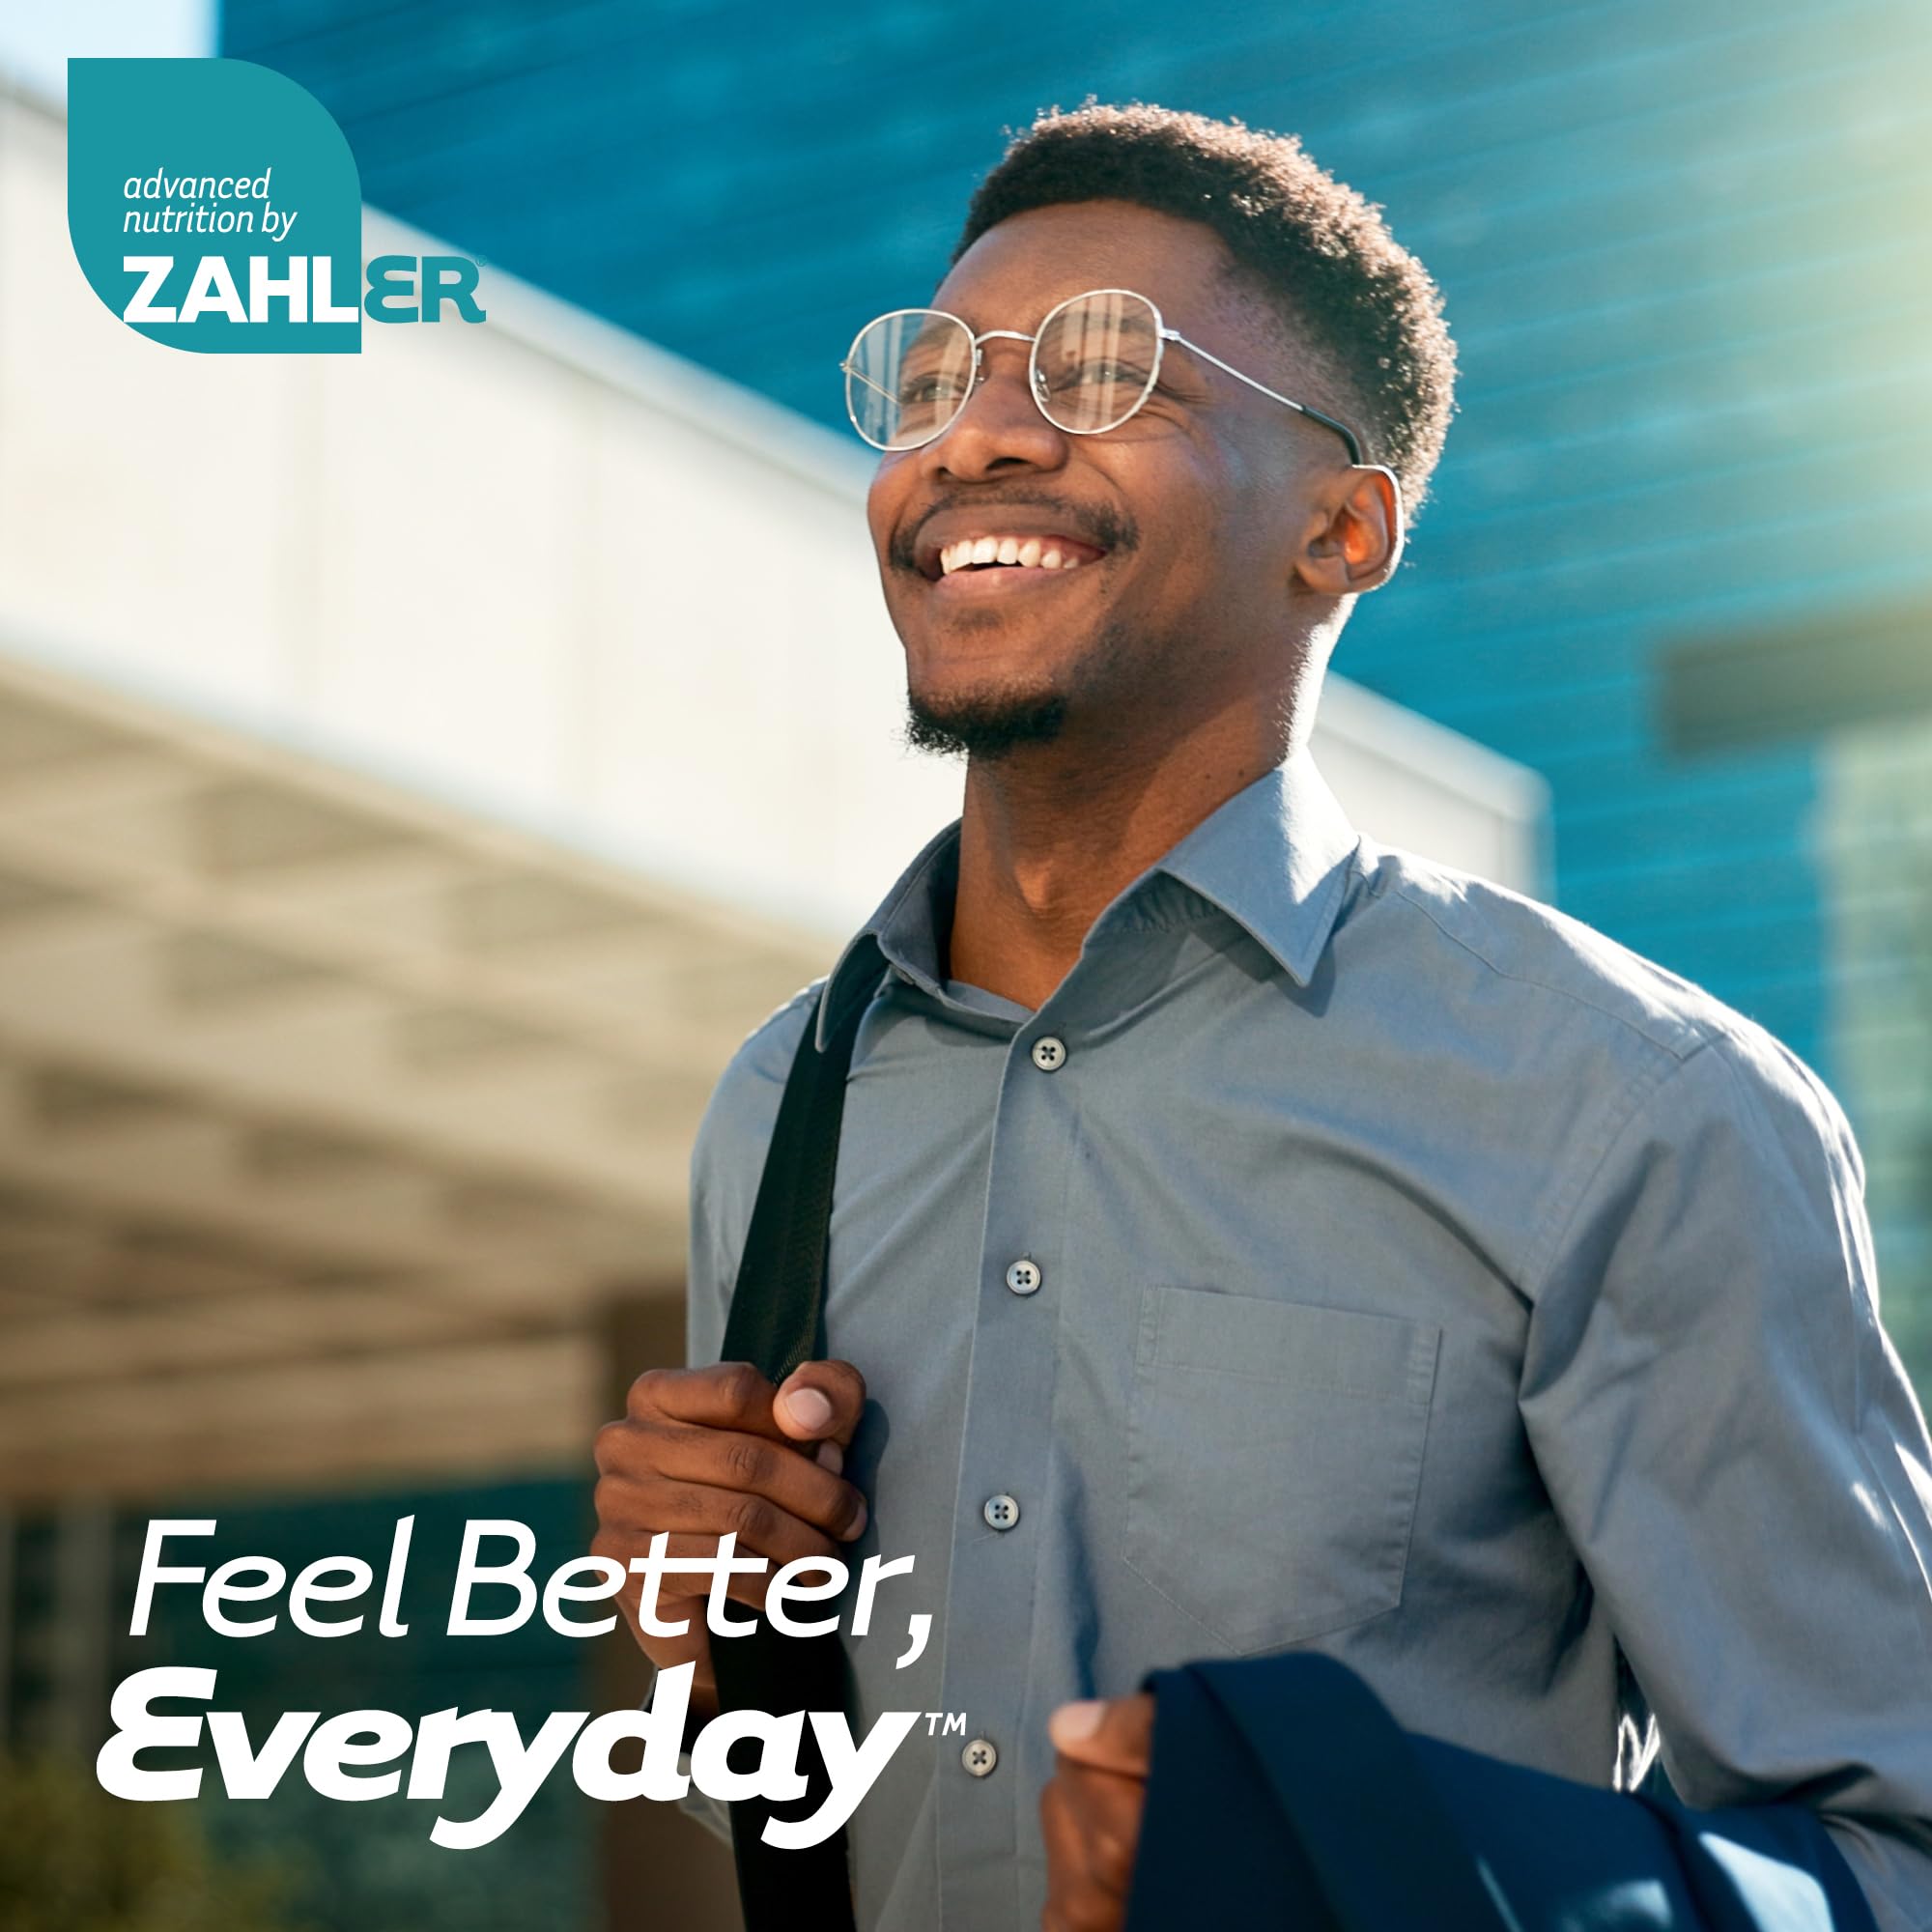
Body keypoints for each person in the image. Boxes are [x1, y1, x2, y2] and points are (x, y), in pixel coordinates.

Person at [591, 101, 1932, 1932]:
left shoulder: (1639, 1107)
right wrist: (705, 1671)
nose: (974, 433)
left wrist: (1366, 1875)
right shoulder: (785, 1101)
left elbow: (1887, 1860)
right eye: (932, 384)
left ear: (1341, 526)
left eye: (1101, 369)